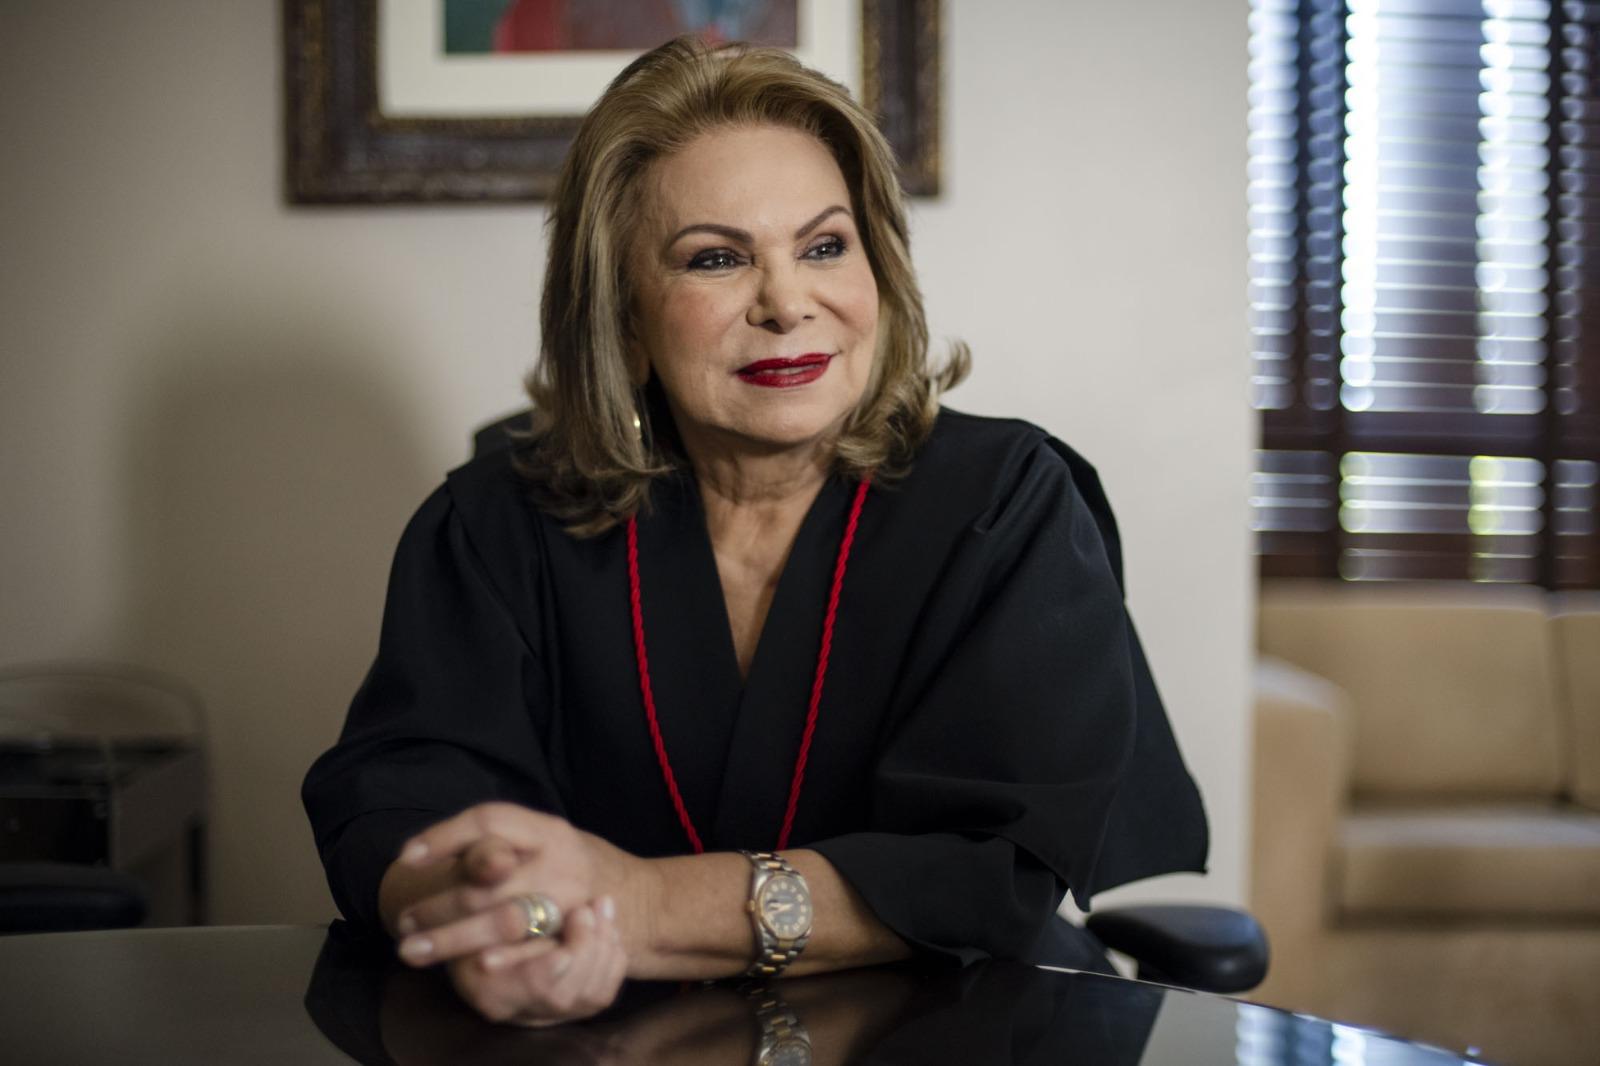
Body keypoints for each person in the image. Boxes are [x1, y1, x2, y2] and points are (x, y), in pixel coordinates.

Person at [302, 35, 1207, 1028]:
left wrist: (640, 907)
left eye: (824, 246)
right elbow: (398, 800)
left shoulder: (1007, 504)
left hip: (964, 1026)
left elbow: (988, 871)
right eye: (716, 259)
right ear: (625, 317)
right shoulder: (492, 524)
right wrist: (484, 917)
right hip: (612, 1037)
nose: (786, 303)